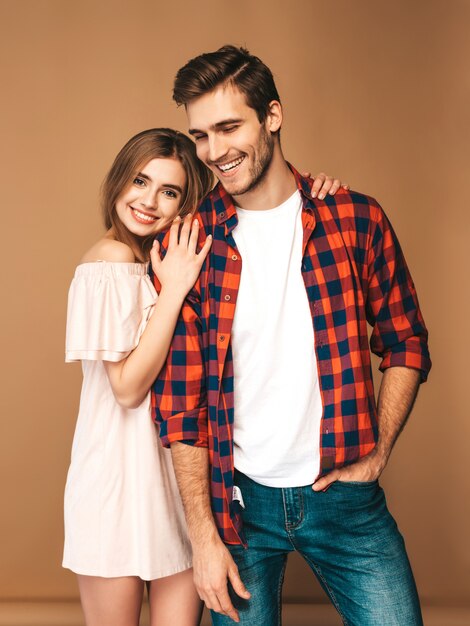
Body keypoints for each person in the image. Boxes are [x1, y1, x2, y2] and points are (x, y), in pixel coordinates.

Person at [152, 46, 432, 626]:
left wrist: (378, 450)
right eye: (200, 135)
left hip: (346, 501)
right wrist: (204, 538)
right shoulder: (190, 242)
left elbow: (405, 340)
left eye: (229, 127)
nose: (215, 152)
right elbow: (182, 405)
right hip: (238, 506)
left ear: (272, 116)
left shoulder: (354, 218)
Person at [63, 127, 342, 626]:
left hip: (181, 481)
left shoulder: (177, 253)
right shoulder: (109, 261)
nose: (149, 202)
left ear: (183, 203)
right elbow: (126, 389)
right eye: (140, 181)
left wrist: (311, 191)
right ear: (118, 182)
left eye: (168, 192)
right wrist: (172, 290)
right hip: (116, 482)